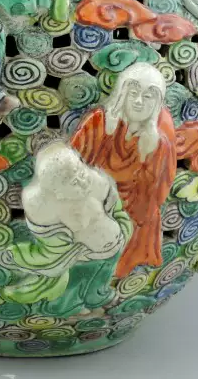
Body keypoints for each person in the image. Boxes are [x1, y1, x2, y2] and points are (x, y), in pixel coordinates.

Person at [70, 62, 177, 277]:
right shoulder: (99, 123)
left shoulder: (157, 144)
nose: (138, 101)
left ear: (157, 104)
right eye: (133, 93)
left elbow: (156, 192)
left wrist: (124, 213)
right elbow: (72, 165)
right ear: (121, 94)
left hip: (132, 212)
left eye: (148, 97)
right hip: (90, 202)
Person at [1, 143, 130, 314]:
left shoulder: (97, 184)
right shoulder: (58, 211)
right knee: (77, 280)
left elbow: (114, 204)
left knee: (103, 275)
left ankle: (97, 296)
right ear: (59, 193)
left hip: (113, 246)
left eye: (82, 173)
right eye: (74, 182)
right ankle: (69, 306)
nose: (83, 182)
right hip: (85, 255)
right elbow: (54, 243)